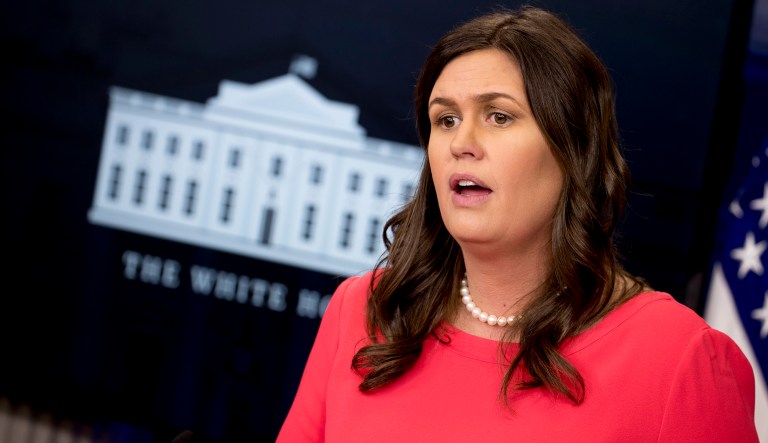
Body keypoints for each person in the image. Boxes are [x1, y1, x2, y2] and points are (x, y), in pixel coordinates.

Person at [277, 6, 759, 442]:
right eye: (445, 119)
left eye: (499, 116)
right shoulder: (362, 310)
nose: (461, 142)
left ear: (573, 151)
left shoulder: (678, 358)